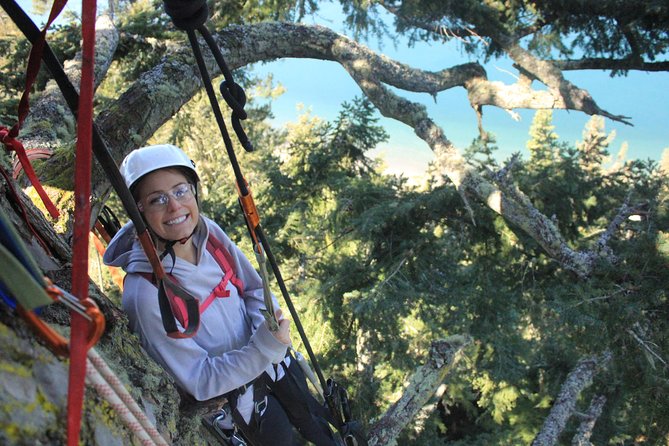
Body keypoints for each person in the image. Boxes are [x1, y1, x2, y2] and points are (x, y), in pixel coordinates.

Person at [104, 144, 338, 445]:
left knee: (318, 424)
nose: (175, 207)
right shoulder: (145, 292)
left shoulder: (208, 232)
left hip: (274, 363)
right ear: (139, 211)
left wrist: (267, 336)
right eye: (157, 199)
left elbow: (254, 289)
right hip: (238, 401)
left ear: (194, 191)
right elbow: (199, 380)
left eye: (180, 191)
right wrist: (262, 349)